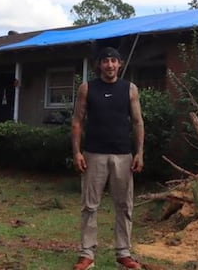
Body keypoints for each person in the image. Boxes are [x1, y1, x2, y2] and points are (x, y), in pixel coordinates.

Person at [70, 47, 145, 270]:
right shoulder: (87, 88)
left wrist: (139, 153)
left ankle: (123, 254)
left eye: (114, 61)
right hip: (93, 155)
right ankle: (87, 255)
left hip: (123, 155)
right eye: (105, 61)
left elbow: (138, 122)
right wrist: (76, 152)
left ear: (120, 64)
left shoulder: (130, 89)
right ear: (99, 65)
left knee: (124, 206)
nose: (110, 65)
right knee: (89, 206)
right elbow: (77, 121)